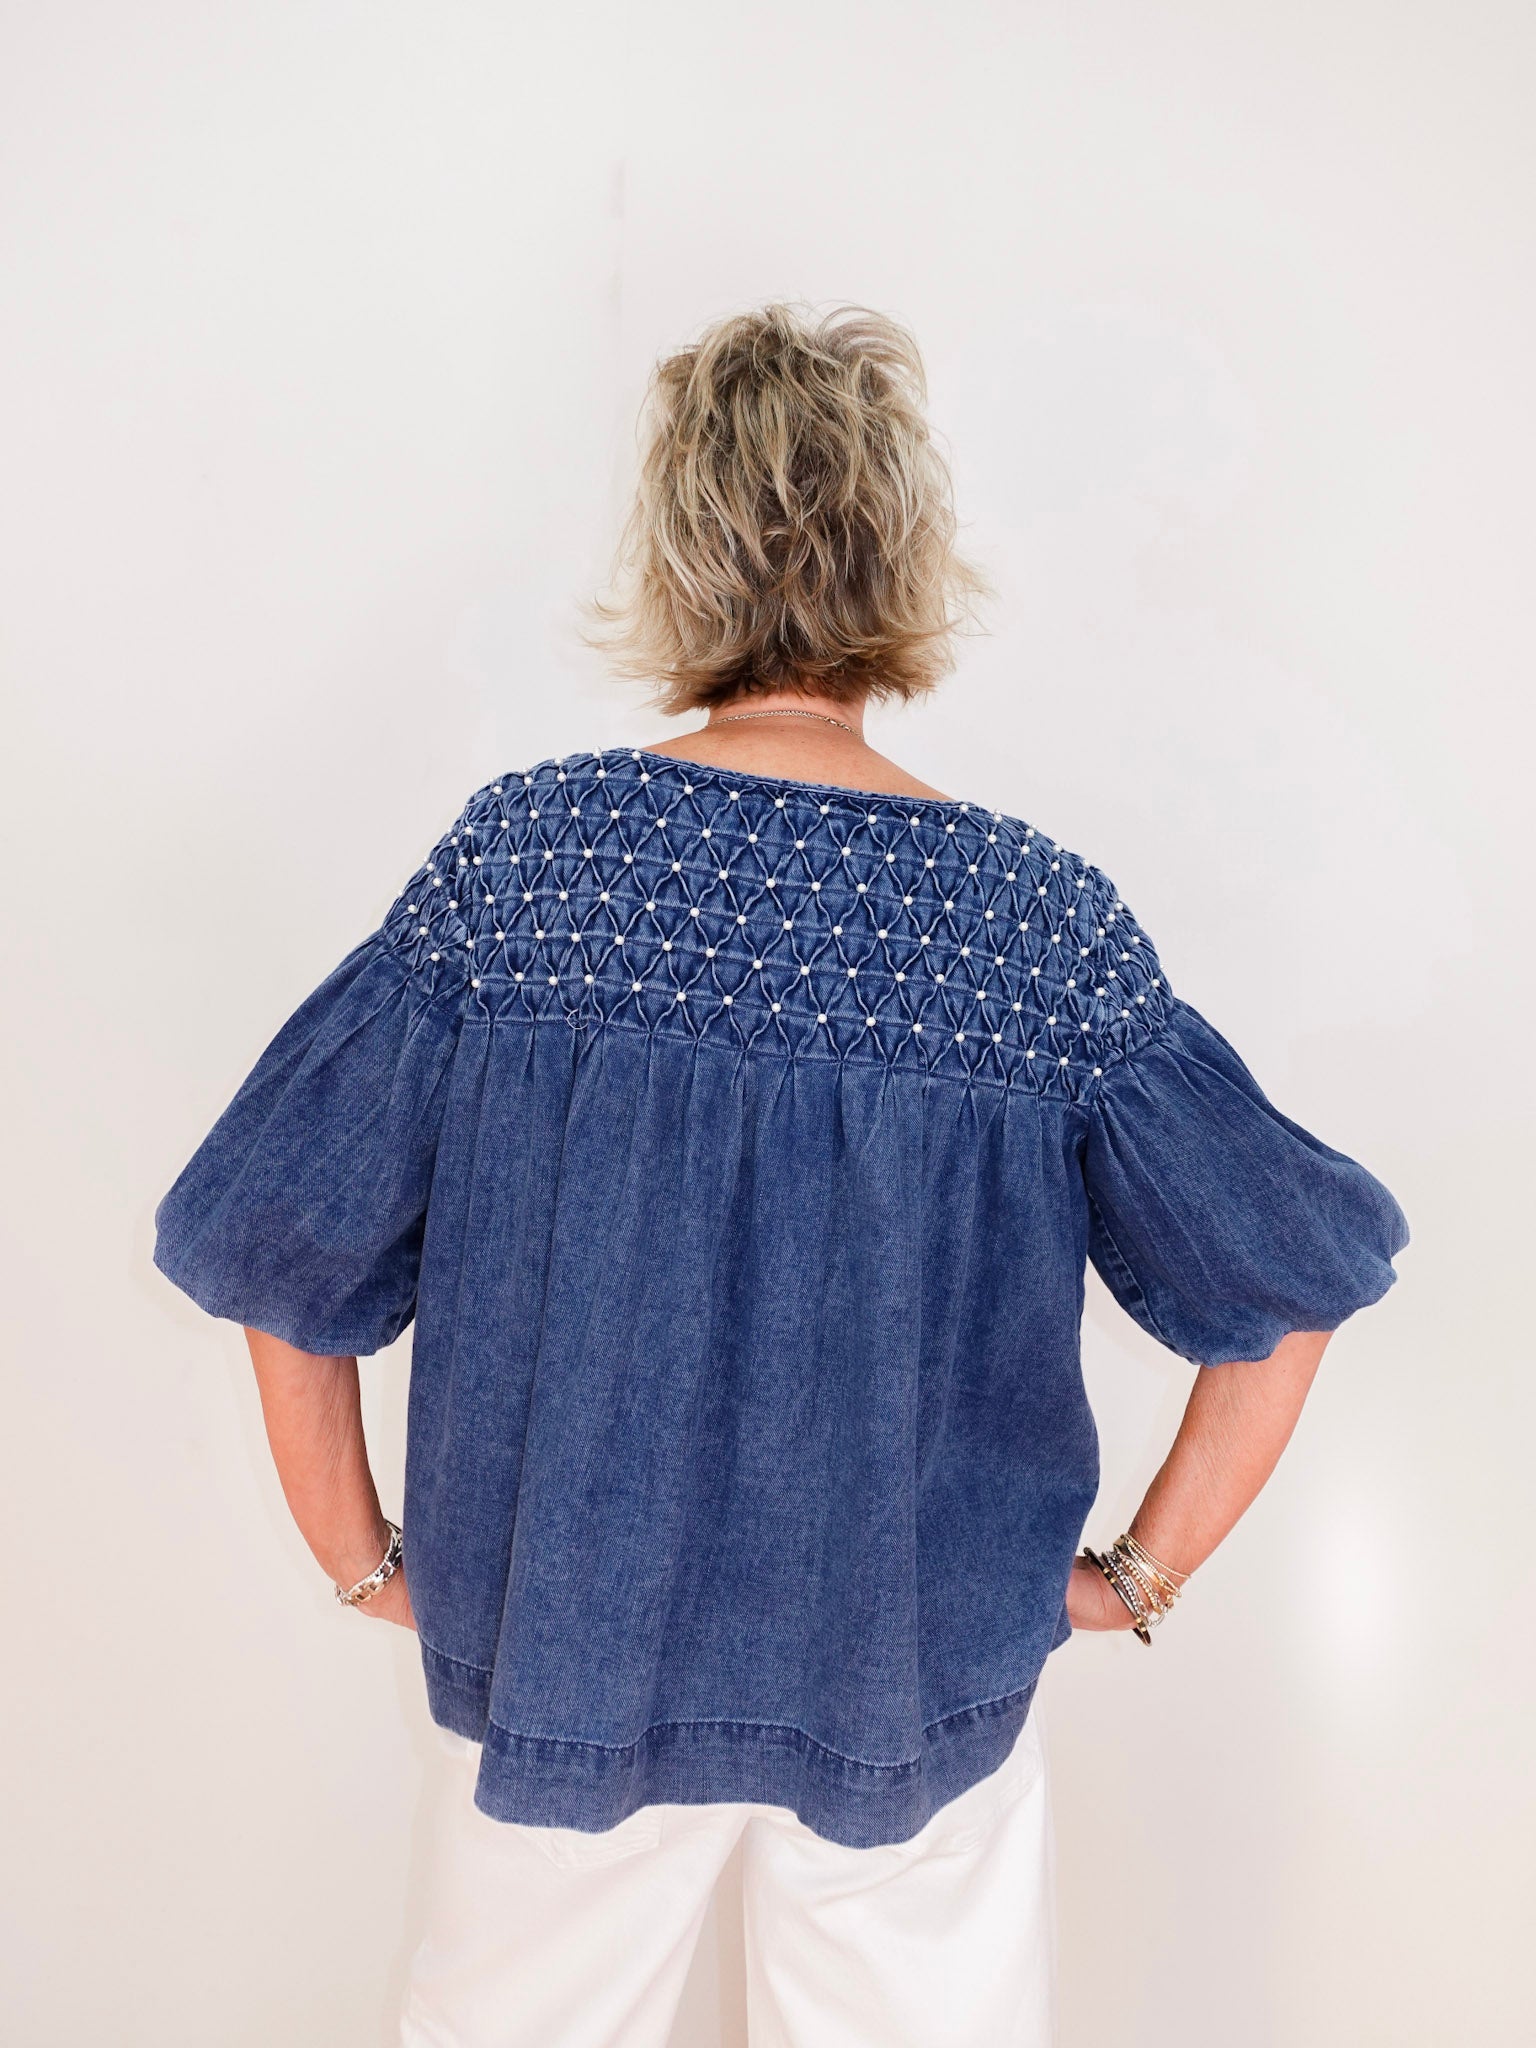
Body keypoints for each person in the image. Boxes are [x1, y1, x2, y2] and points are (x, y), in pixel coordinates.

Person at [152, 303, 1408, 2047]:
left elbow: (265, 1241)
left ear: (678, 553)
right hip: (912, 1684)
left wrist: (369, 1564)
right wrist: (1134, 1581)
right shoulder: (1030, 928)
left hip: (559, 1671)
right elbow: (1290, 1281)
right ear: (906, 557)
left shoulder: (525, 870)